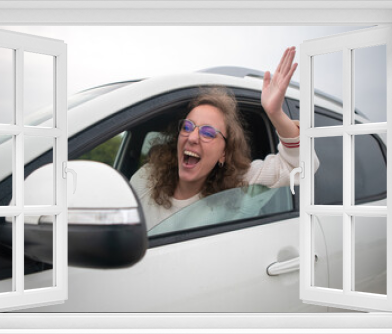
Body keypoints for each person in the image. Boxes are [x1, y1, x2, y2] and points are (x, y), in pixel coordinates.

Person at [131, 47, 316, 230]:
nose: (193, 137)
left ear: (224, 154)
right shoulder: (147, 177)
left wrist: (276, 114)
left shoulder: (238, 186)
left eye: (208, 133)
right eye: (188, 127)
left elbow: (302, 166)